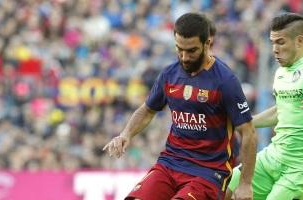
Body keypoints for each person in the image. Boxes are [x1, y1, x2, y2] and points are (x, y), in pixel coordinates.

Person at [103, 13, 257, 200]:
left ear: (207, 44)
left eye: (191, 51)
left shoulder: (225, 81)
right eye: (179, 49)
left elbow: (248, 132)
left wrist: (245, 184)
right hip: (170, 164)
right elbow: (148, 109)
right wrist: (125, 134)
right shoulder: (170, 74)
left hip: (208, 172)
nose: (184, 57)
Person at [226, 12, 303, 200]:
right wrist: (242, 122)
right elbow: (280, 111)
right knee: (224, 188)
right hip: (275, 156)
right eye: (272, 42)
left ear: (299, 41)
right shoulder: (281, 72)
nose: (274, 48)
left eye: (280, 42)